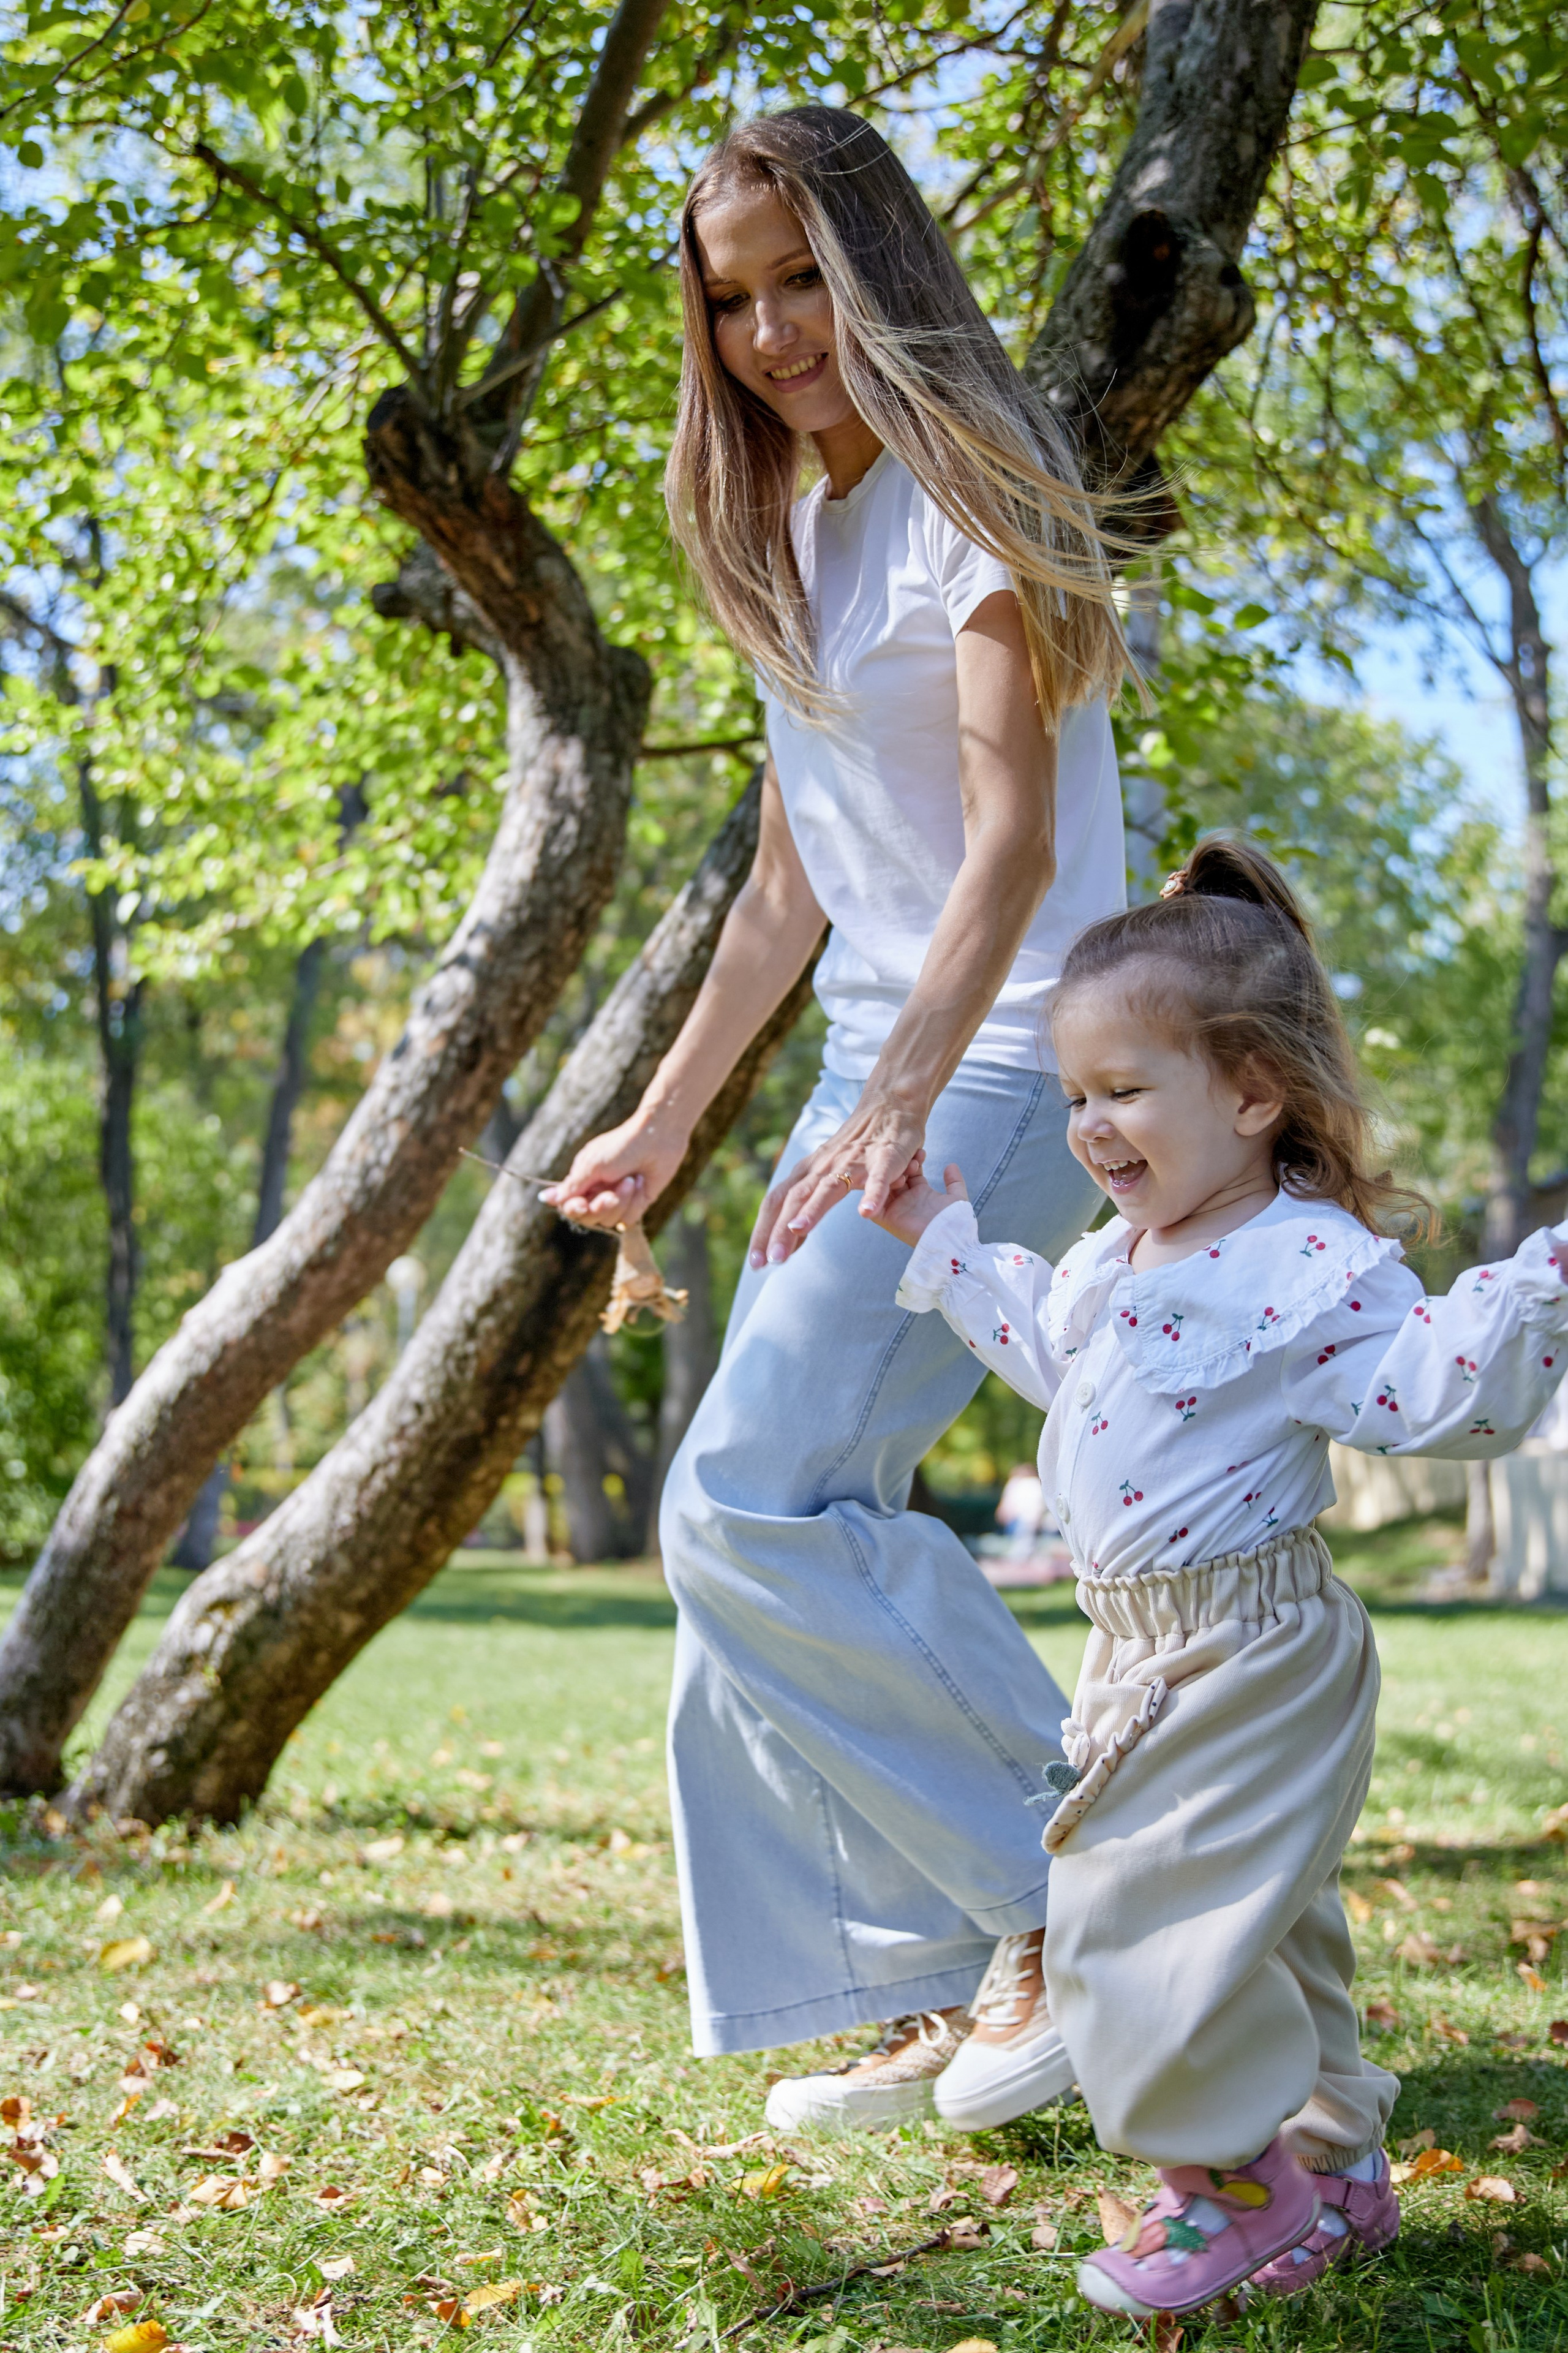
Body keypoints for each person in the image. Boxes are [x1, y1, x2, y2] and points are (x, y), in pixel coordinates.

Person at [542, 103, 1133, 2132]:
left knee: (746, 1505)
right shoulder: (782, 526)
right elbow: (795, 883)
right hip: (881, 1063)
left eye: (807, 277)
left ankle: (1083, 1904)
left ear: (878, 262)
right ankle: (922, 1971)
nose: (777, 328)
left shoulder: (980, 485)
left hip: (1031, 1051)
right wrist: (668, 1121)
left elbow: (1006, 844)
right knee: (764, 1508)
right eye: (735, 299)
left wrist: (889, 1101)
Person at [873, 836, 1568, 2314]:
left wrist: (1533, 1286)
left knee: (1135, 1915)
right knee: (1266, 1917)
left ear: (1252, 1094)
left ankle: (1228, 2190)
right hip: (1138, 1644)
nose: (1087, 1126)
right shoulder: (1120, 1259)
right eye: (1076, 1094)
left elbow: (1431, 1398)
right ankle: (1335, 2165)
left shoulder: (1299, 1264)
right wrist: (946, 1242)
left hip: (1254, 1644)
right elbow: (1056, 1368)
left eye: (1123, 1090)